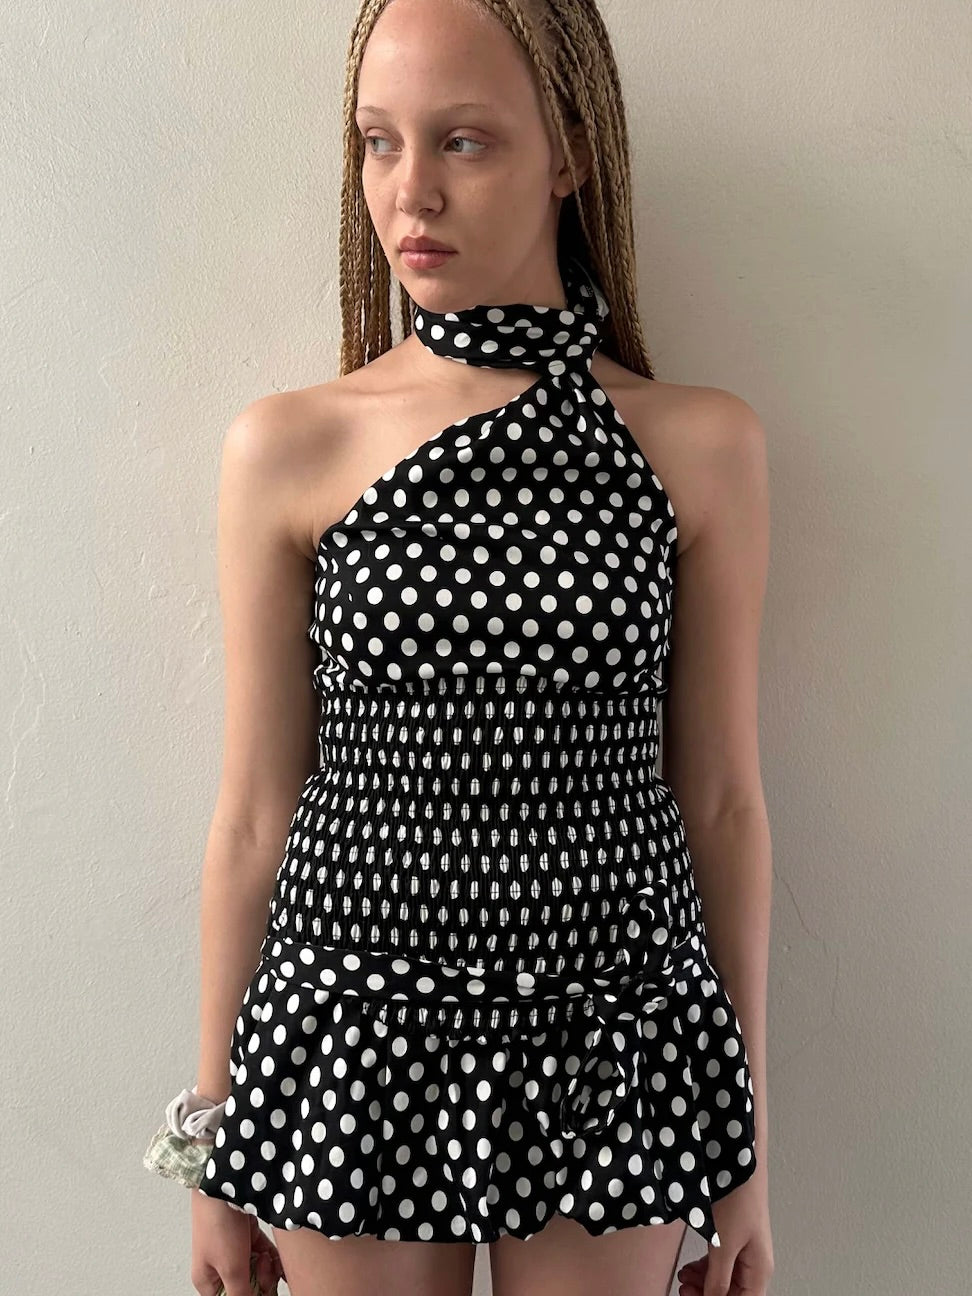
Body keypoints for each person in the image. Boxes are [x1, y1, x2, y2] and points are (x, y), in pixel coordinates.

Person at [153, 2, 775, 1294]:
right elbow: (255, 815)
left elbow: (720, 801)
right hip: (351, 1032)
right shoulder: (292, 447)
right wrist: (215, 1144)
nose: (410, 192)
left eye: (465, 141)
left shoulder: (699, 446)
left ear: (570, 153)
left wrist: (743, 1154)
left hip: (614, 1029)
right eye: (378, 141)